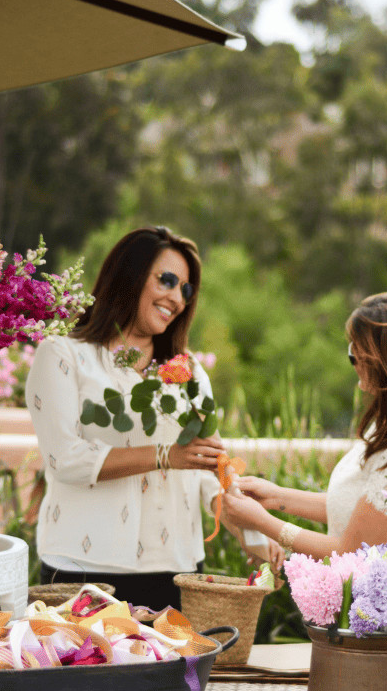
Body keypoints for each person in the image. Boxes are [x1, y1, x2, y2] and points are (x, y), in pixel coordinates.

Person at [25, 225, 274, 610]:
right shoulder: (63, 355)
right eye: (168, 280)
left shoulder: (187, 371)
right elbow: (65, 459)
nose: (176, 298)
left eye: (185, 290)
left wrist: (252, 532)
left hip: (175, 570)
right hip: (84, 569)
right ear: (129, 274)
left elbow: (206, 468)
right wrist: (164, 455)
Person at [221, 292, 387, 560]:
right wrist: (276, 497)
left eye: (358, 354)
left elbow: (350, 552)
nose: (353, 362)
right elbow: (358, 509)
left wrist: (263, 522)